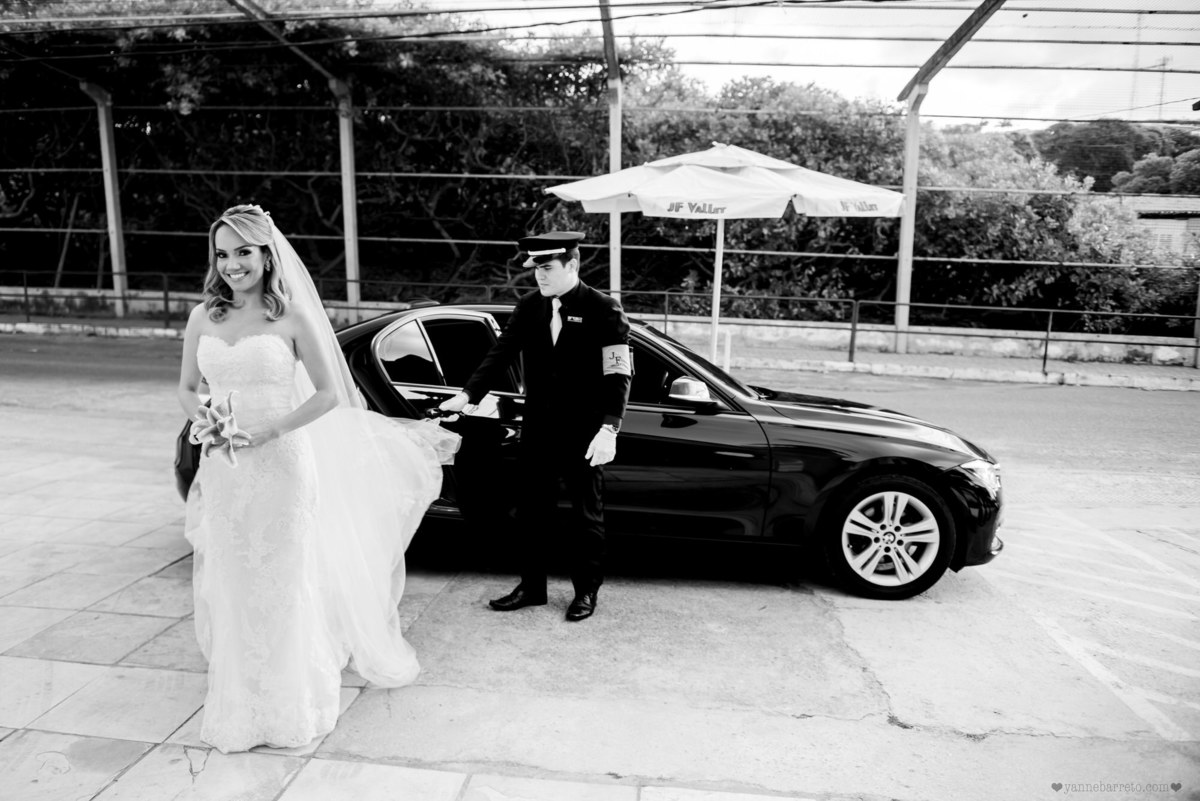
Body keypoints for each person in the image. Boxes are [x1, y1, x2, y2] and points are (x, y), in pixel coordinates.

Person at [178, 204, 458, 753]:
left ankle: (290, 704)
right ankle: (240, 700)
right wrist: (206, 420)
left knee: (283, 581)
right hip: (226, 466)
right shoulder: (201, 317)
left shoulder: (292, 317)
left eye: (243, 252)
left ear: (266, 255)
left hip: (282, 464)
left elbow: (329, 394)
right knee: (234, 580)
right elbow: (188, 387)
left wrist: (270, 430)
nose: (233, 264)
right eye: (223, 254)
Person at [439, 231, 631, 622]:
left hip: (584, 432)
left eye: (547, 267)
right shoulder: (530, 306)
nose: (539, 275)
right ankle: (531, 587)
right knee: (531, 512)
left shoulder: (603, 308)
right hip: (539, 429)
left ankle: (586, 591)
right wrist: (467, 395)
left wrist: (609, 428)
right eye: (535, 268)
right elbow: (501, 353)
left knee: (586, 515)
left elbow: (618, 372)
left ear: (572, 265)